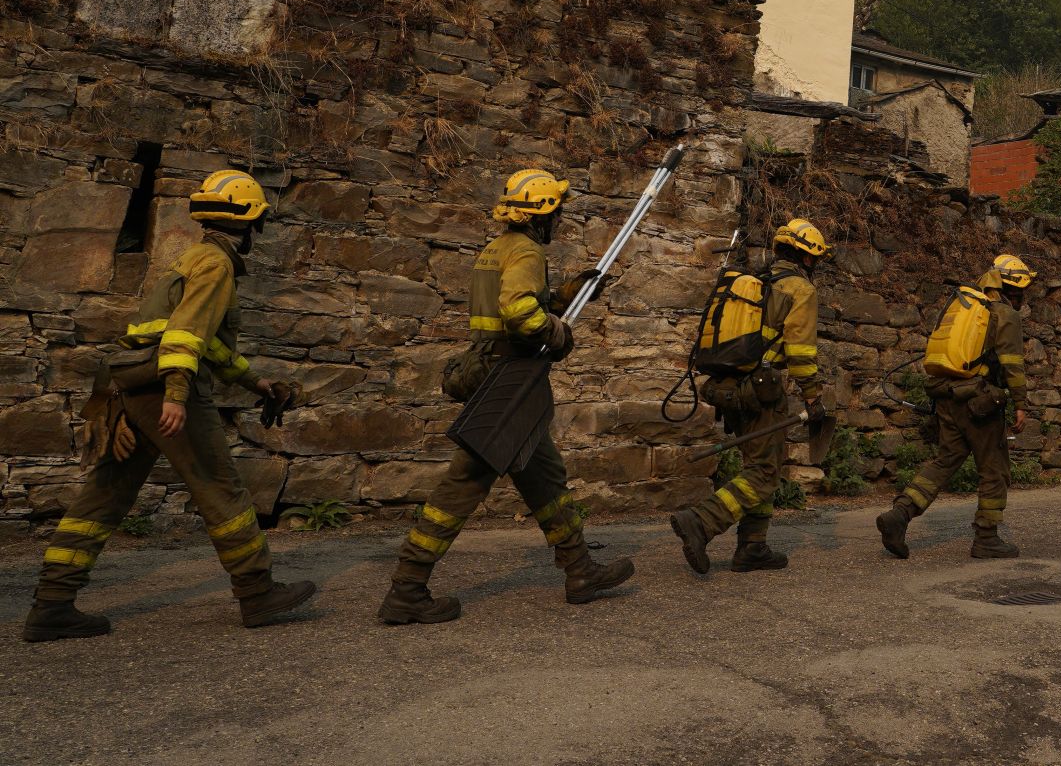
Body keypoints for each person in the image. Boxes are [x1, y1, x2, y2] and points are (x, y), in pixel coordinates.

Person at [22, 170, 315, 642]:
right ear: (251, 221)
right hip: (165, 388)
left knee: (104, 494)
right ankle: (258, 593)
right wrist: (178, 395)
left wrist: (254, 381)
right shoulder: (217, 265)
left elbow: (198, 338)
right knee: (220, 487)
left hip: (128, 388)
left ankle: (52, 605)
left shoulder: (190, 258)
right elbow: (184, 338)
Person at [377, 169, 632, 624]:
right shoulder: (528, 251)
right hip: (508, 376)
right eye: (559, 211)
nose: (560, 219)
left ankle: (579, 570)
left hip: (492, 370)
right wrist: (559, 331)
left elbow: (513, 303)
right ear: (545, 213)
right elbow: (518, 312)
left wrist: (559, 297)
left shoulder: (496, 249)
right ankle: (407, 589)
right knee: (466, 481)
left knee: (544, 474)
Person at [670, 218, 831, 574]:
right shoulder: (800, 290)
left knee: (762, 466)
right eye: (815, 260)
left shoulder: (754, 283)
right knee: (763, 471)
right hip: (762, 394)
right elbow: (802, 353)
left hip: (729, 390)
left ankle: (753, 547)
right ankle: (702, 521)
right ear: (808, 258)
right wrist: (813, 398)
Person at [876, 254, 1033, 560]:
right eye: (1023, 293)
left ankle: (900, 514)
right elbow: (1013, 365)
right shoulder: (1005, 314)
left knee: (945, 461)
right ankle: (987, 537)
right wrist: (1021, 404)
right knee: (995, 469)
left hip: (948, 396)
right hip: (979, 402)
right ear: (1015, 290)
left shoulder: (966, 307)